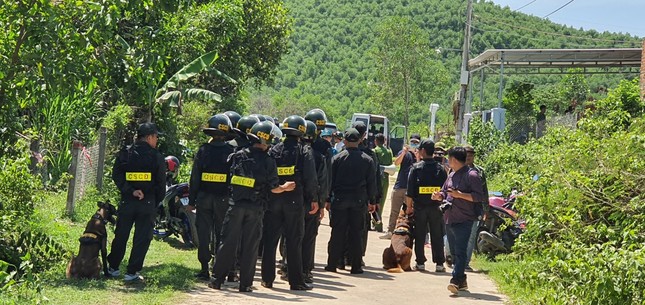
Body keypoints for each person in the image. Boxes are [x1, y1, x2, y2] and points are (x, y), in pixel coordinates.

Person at [209, 121, 295, 292]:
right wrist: (285, 187)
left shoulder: (238, 155)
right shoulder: (269, 161)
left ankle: (216, 280)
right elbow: (273, 188)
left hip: (235, 206)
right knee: (250, 246)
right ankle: (245, 284)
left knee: (227, 243)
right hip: (255, 209)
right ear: (266, 140)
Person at [261, 115, 317, 291]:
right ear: (301, 131)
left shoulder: (273, 149)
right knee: (294, 241)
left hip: (274, 199)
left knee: (270, 240)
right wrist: (314, 199)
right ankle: (296, 281)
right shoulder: (304, 151)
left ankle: (267, 279)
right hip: (294, 201)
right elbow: (310, 177)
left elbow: (267, 174)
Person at [107, 122, 166, 282]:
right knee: (142, 238)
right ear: (149, 137)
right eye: (156, 137)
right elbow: (161, 184)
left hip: (127, 201)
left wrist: (130, 191)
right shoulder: (157, 157)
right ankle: (132, 272)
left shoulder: (125, 153)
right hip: (147, 203)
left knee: (121, 234)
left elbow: (116, 175)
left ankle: (113, 267)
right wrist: (156, 202)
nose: (157, 140)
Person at [431, 147, 485, 294]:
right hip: (449, 217)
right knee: (454, 252)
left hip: (465, 218)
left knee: (461, 251)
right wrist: (439, 195)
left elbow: (479, 197)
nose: (448, 161)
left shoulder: (472, 175)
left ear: (454, 159)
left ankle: (455, 280)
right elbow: (445, 192)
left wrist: (460, 195)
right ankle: (462, 280)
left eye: (449, 159)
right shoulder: (451, 174)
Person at [189, 114, 237, 280]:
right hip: (223, 200)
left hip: (204, 199)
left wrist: (191, 201)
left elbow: (195, 178)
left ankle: (204, 269)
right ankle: (221, 269)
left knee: (204, 234)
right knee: (221, 234)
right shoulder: (231, 152)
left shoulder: (203, 150)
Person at [325, 128, 377, 274]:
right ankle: (356, 266)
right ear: (360, 140)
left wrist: (327, 199)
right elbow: (371, 183)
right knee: (356, 233)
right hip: (359, 200)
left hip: (340, 200)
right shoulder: (368, 160)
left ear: (345, 141)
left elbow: (330, 181)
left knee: (337, 232)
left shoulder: (337, 159)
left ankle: (332, 264)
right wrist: (372, 201)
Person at [302, 112, 331, 284]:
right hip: (312, 199)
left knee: (290, 235)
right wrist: (322, 201)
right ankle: (305, 270)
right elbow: (325, 178)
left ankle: (287, 265)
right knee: (309, 236)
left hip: (291, 198)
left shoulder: (293, 147)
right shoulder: (324, 150)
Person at [380, 133, 420, 240]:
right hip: (400, 185)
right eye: (412, 142)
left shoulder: (420, 155)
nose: (414, 144)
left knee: (411, 211)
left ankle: (411, 233)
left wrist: (417, 156)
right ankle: (390, 231)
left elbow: (420, 166)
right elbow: (396, 163)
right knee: (394, 210)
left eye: (416, 143)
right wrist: (404, 152)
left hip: (411, 189)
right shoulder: (404, 153)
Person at [464, 145, 488, 272]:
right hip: (459, 208)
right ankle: (453, 257)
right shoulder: (456, 169)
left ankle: (465, 262)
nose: (469, 157)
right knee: (456, 235)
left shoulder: (480, 172)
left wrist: (486, 209)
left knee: (471, 236)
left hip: (475, 209)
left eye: (471, 154)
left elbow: (484, 191)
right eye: (467, 154)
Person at [372, 133, 393, 233]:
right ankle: (378, 223)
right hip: (386, 178)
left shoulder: (375, 151)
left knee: (374, 201)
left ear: (376, 141)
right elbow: (390, 165)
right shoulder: (389, 152)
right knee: (382, 201)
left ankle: (377, 223)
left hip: (377, 179)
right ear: (384, 141)